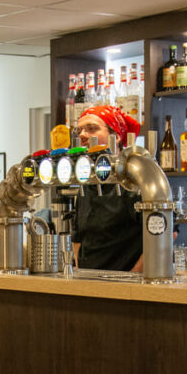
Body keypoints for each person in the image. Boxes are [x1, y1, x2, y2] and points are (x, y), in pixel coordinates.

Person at [72, 104, 144, 272]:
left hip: (125, 284)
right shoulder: (87, 183)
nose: (82, 135)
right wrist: (80, 274)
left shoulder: (134, 181)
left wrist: (132, 277)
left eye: (91, 129)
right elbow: (79, 237)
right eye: (79, 130)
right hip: (89, 282)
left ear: (116, 136)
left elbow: (165, 233)